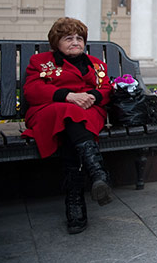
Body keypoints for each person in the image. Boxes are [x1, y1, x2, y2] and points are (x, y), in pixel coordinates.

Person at [22, 17, 113, 234]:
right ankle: (97, 173)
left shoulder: (96, 64)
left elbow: (107, 89)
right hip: (49, 111)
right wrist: (68, 96)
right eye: (68, 38)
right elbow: (32, 91)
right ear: (56, 42)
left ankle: (75, 203)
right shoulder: (41, 62)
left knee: (75, 122)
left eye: (79, 38)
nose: (75, 42)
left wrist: (90, 95)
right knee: (70, 112)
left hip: (89, 112)